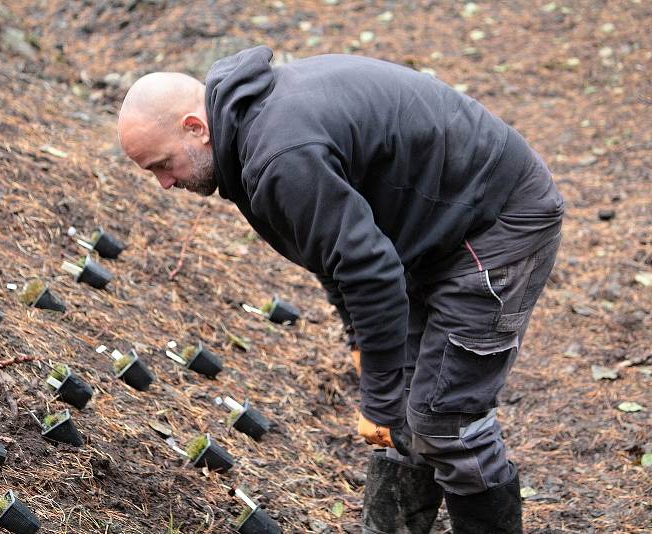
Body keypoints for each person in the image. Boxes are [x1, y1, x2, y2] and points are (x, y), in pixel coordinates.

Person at [117, 46, 563, 533]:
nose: (163, 183)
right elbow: (333, 251)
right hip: (435, 227)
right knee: (411, 407)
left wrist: (379, 399)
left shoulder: (279, 155)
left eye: (161, 164)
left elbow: (370, 272)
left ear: (195, 128)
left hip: (497, 221)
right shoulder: (246, 136)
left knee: (445, 418)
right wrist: (360, 341)